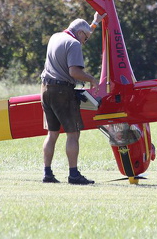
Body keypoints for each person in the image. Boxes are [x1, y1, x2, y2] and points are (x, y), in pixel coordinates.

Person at [40, 11, 106, 185]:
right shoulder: (74, 43)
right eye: (85, 38)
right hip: (62, 91)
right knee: (73, 133)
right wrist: (92, 79)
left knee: (52, 133)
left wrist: (94, 23)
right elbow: (74, 72)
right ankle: (73, 175)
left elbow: (80, 37)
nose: (84, 42)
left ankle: (47, 173)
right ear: (79, 34)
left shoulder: (56, 37)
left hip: (45, 89)